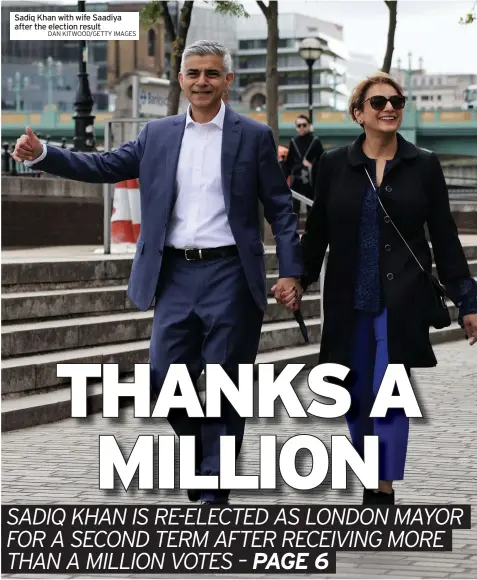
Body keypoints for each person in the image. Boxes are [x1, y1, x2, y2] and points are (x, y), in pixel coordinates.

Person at [13, 40, 304, 505]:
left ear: (227, 81)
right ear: (182, 80)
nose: (202, 82)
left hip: (230, 272)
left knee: (226, 384)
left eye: (212, 73)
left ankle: (212, 489)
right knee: (160, 381)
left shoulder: (253, 136)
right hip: (173, 275)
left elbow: (281, 209)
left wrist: (292, 271)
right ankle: (203, 455)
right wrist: (45, 153)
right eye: (193, 74)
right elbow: (104, 165)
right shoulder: (158, 135)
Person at [281, 72, 477, 505]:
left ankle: (381, 486)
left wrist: (468, 300)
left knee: (390, 387)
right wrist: (299, 278)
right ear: (359, 113)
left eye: (396, 100)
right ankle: (369, 470)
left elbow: (444, 237)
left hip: (402, 298)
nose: (389, 107)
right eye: (378, 102)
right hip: (349, 299)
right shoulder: (334, 164)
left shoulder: (423, 165)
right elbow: (317, 236)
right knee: (354, 392)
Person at [282, 115, 324, 215]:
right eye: (299, 125)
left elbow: (323, 161)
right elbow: (289, 163)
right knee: (294, 210)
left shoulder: (316, 141)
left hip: (311, 182)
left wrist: (312, 166)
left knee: (312, 211)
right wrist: (282, 180)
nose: (301, 127)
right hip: (296, 180)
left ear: (309, 126)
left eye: (304, 125)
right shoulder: (293, 141)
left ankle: (311, 231)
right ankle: (293, 231)